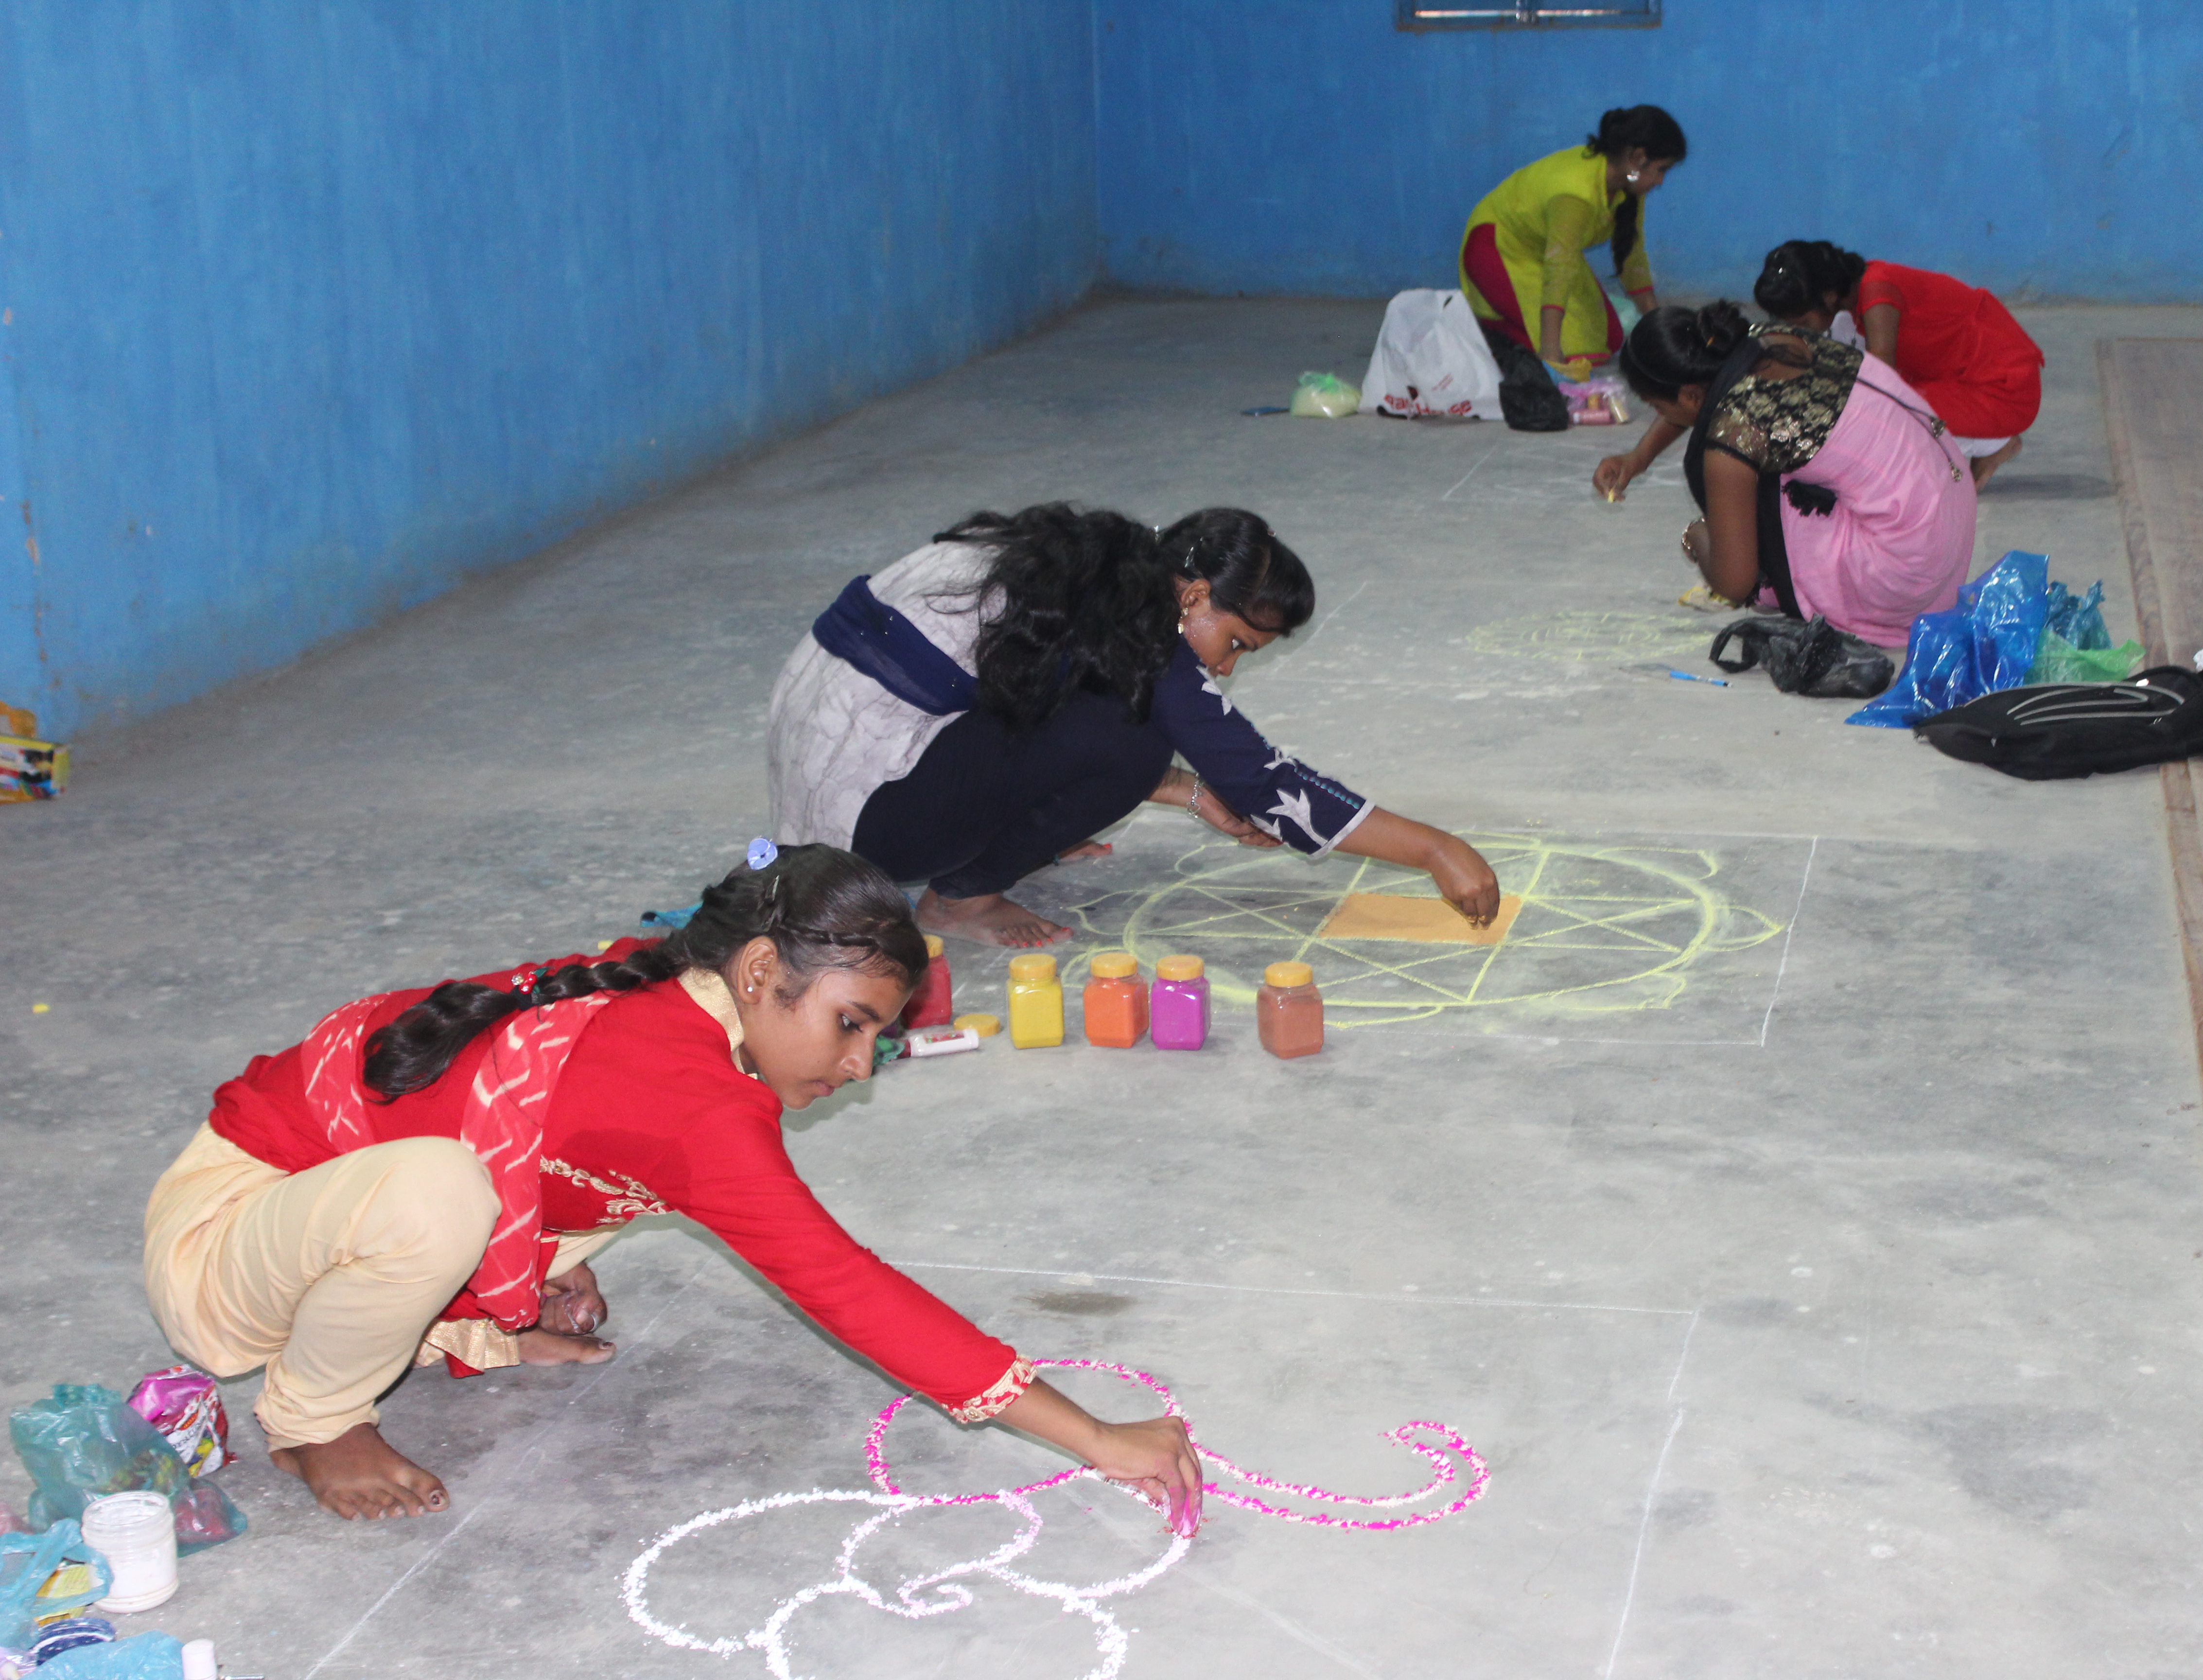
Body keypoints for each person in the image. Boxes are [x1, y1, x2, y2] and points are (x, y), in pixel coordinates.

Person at [141, 844, 1207, 1526]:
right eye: (849, 1025)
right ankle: (317, 1419)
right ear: (755, 975)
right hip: (228, 1239)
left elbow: (549, 1134)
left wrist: (524, 1268)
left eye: (876, 1042)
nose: (853, 1068)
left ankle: (472, 1302)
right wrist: (1098, 1438)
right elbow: (847, 1285)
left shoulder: (681, 990)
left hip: (319, 1219)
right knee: (445, 1193)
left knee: (516, 1181)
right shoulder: (695, 1106)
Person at [767, 505, 1502, 948]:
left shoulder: (1098, 559)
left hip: (830, 761)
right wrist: (1435, 849)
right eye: (1237, 644)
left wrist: (1184, 793)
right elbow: (1259, 778)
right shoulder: (1154, 633)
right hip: (864, 822)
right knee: (1135, 734)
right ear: (1196, 595)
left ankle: (992, 835)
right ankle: (962, 896)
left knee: (1119, 720)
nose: (1229, 670)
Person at [1591, 303, 1977, 651]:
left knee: (1739, 487)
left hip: (1906, 570)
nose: (1662, 413)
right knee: (1757, 459)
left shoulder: (1739, 429)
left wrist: (1698, 537)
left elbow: (1733, 582)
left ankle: (1795, 587)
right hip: (1949, 508)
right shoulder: (1764, 341)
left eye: (1658, 405)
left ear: (1689, 395)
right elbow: (1702, 397)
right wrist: (1638, 457)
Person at [1751, 240, 2044, 486]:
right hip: (1963, 376)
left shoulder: (1878, 292)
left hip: (2004, 391)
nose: (1804, 330)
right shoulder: (1860, 289)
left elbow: (1881, 384)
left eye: (1803, 321)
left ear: (1828, 298)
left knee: (1891, 415)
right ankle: (1985, 442)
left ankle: (1995, 444)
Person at [1458, 106, 1686, 379]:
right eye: (1661, 170)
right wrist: (1551, 352)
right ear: (1637, 158)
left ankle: (1516, 323)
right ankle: (1489, 329)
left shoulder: (1628, 186)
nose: (1661, 182)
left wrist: (1660, 334)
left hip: (1544, 252)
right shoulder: (1574, 193)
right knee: (1571, 354)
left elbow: (1632, 260)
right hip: (1496, 248)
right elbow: (1560, 269)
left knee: (1609, 340)